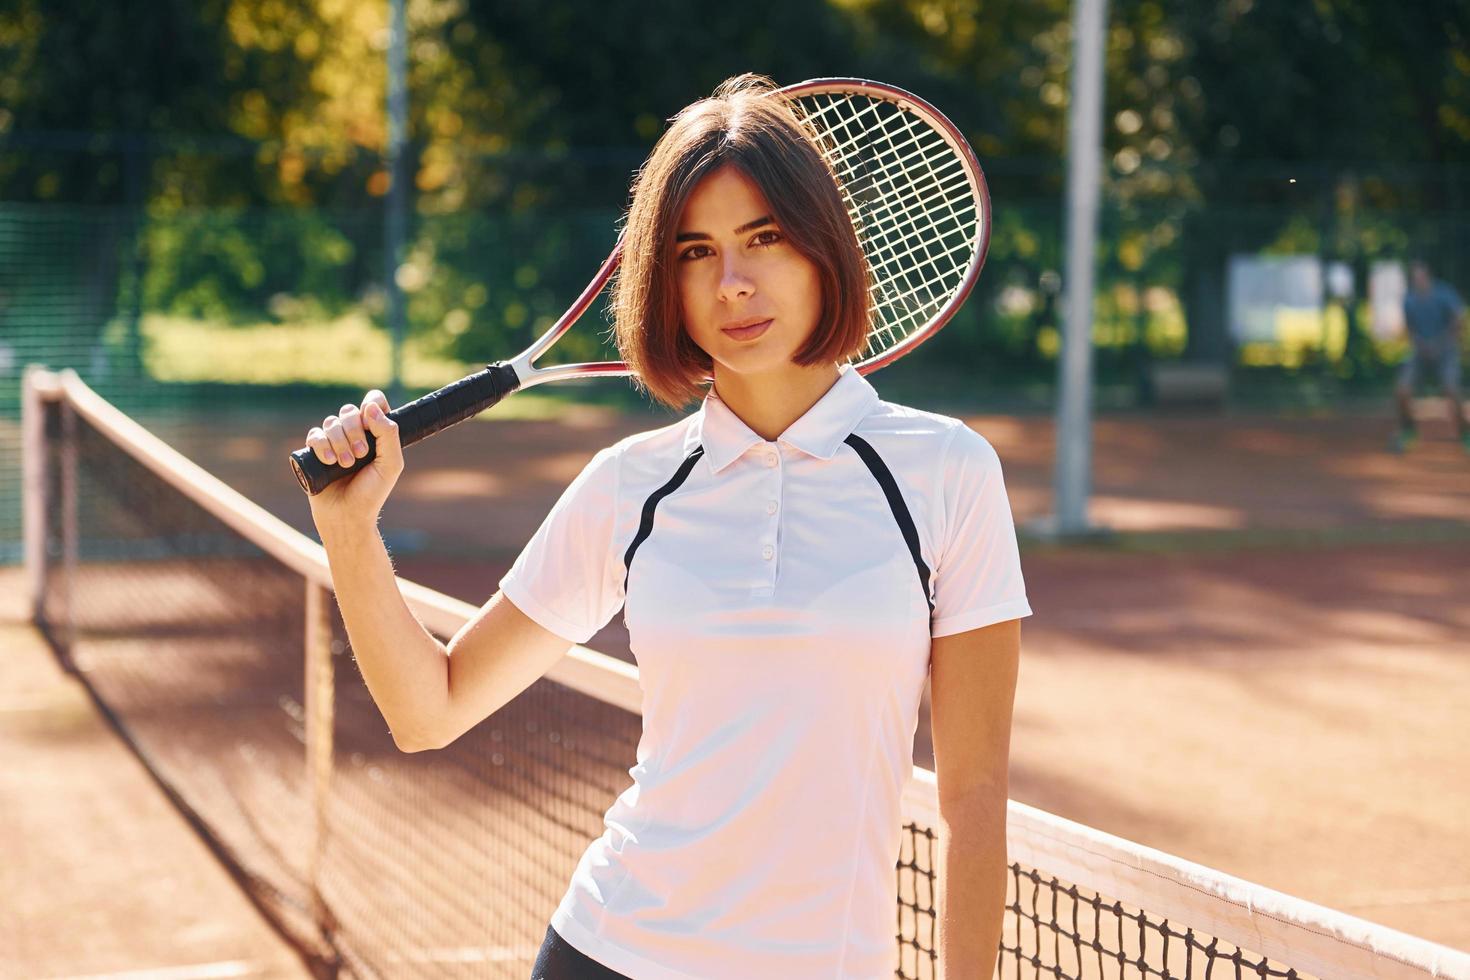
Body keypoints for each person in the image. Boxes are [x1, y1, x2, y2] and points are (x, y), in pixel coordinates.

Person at [302, 74, 1031, 980]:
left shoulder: (946, 474)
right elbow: (431, 710)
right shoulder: (630, 488)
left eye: (765, 238)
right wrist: (349, 530)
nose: (734, 283)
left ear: (824, 249)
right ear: (668, 283)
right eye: (696, 252)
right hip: (612, 954)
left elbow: (974, 794)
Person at [1390, 259, 1469, 455]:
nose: (1418, 280)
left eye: (1421, 276)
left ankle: (1465, 432)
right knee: (1402, 390)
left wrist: (1440, 343)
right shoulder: (1409, 299)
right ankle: (1408, 429)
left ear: (1428, 276)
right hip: (1420, 352)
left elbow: (1457, 321)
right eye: (1415, 277)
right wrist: (1420, 344)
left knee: (1451, 389)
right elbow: (1409, 328)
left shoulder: (1444, 294)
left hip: (1446, 352)